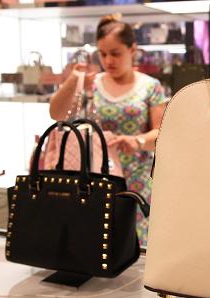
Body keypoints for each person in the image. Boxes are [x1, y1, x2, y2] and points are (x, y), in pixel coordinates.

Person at [49, 13, 168, 246]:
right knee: (101, 238)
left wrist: (138, 141)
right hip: (99, 176)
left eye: (115, 53)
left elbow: (162, 134)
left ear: (132, 50)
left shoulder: (150, 87)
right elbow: (56, 114)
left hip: (138, 179)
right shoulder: (92, 83)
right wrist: (73, 80)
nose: (108, 61)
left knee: (137, 242)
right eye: (102, 54)